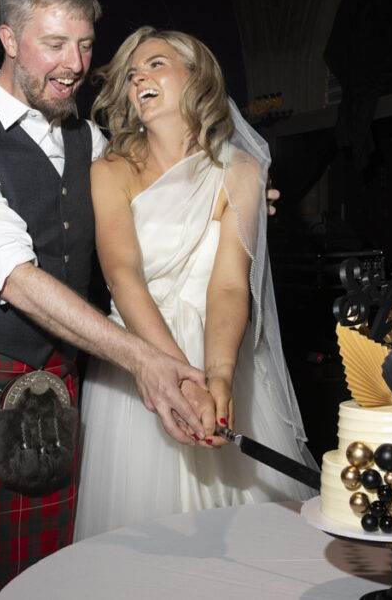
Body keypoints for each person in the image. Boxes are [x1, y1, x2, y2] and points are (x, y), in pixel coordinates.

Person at [0, 0, 208, 598]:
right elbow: (15, 277)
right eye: (55, 44)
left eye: (85, 44)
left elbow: (158, 201)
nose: (75, 64)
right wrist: (142, 360)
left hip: (59, 388)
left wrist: (229, 198)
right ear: (9, 39)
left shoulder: (89, 140)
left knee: (50, 578)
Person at [73, 27, 318, 541]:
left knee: (251, 539)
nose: (139, 77)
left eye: (156, 64)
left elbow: (229, 285)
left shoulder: (242, 170)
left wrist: (220, 376)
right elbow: (122, 275)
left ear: (197, 77)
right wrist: (177, 376)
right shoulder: (110, 170)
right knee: (145, 543)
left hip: (219, 352)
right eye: (132, 73)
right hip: (139, 361)